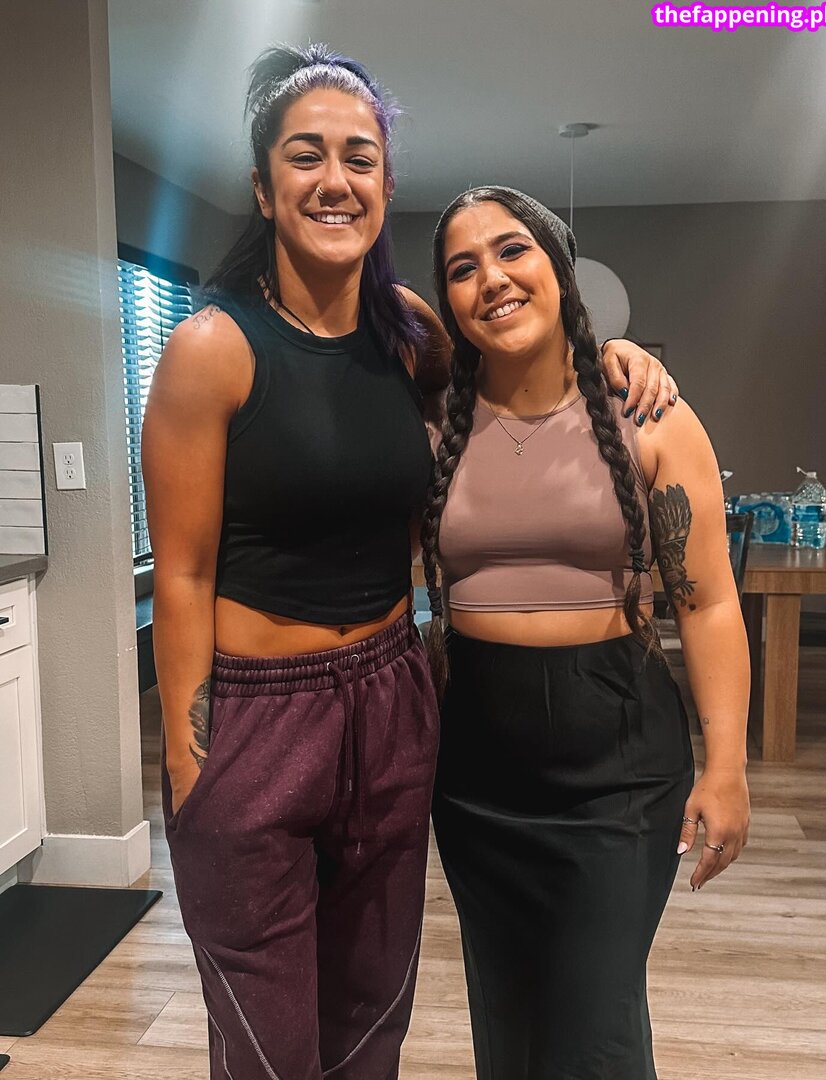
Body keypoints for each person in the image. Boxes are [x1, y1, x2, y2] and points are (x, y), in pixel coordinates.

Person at [143, 43, 677, 1080]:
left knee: (371, 1019)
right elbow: (184, 577)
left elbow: (518, 370)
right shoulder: (213, 348)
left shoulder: (410, 334)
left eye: (360, 157)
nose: (334, 179)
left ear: (386, 185)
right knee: (267, 1046)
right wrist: (190, 765)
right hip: (259, 714)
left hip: (393, 700)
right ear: (262, 186)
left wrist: (611, 353)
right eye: (305, 155)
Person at [420, 186, 751, 1080]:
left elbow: (709, 604)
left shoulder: (649, 415)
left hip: (618, 767)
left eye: (513, 250)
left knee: (594, 1025)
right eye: (462, 267)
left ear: (560, 268)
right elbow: (371, 316)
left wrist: (726, 767)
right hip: (476, 770)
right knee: (509, 1010)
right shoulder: (434, 422)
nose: (492, 278)